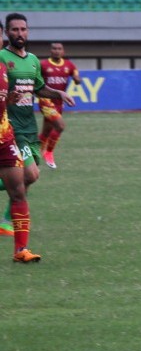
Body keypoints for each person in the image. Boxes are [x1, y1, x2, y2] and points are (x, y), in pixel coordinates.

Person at [0, 14, 75, 253]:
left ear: (28, 32)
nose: (19, 33)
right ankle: (7, 223)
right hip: (11, 128)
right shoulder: (2, 58)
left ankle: (5, 221)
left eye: (23, 29)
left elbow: (39, 88)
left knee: (27, 179)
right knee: (31, 174)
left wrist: (59, 94)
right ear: (7, 33)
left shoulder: (32, 60)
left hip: (29, 128)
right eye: (14, 29)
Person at [0, 57, 41, 261]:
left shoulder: (2, 68)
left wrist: (8, 101)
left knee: (18, 191)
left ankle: (21, 251)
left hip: (5, 138)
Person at [38, 42, 80, 170]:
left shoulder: (69, 65)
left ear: (63, 51)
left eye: (59, 49)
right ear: (50, 51)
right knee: (60, 126)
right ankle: (49, 153)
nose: (56, 51)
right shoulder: (43, 65)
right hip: (45, 101)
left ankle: (34, 156)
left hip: (58, 103)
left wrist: (77, 79)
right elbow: (36, 80)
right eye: (54, 49)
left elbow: (77, 77)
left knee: (46, 132)